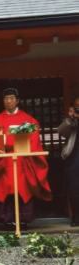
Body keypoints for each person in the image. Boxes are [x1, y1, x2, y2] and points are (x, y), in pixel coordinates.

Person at [0, 88, 51, 228]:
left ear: (17, 100)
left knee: (23, 189)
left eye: (12, 98)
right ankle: (8, 220)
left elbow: (34, 139)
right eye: (6, 99)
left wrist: (22, 149)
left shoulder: (28, 120)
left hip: (23, 161)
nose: (9, 101)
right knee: (6, 189)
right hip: (4, 161)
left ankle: (23, 220)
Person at [57, 96, 79, 227]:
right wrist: (71, 119)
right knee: (74, 188)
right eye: (77, 107)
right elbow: (61, 131)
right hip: (74, 156)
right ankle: (76, 216)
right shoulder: (71, 120)